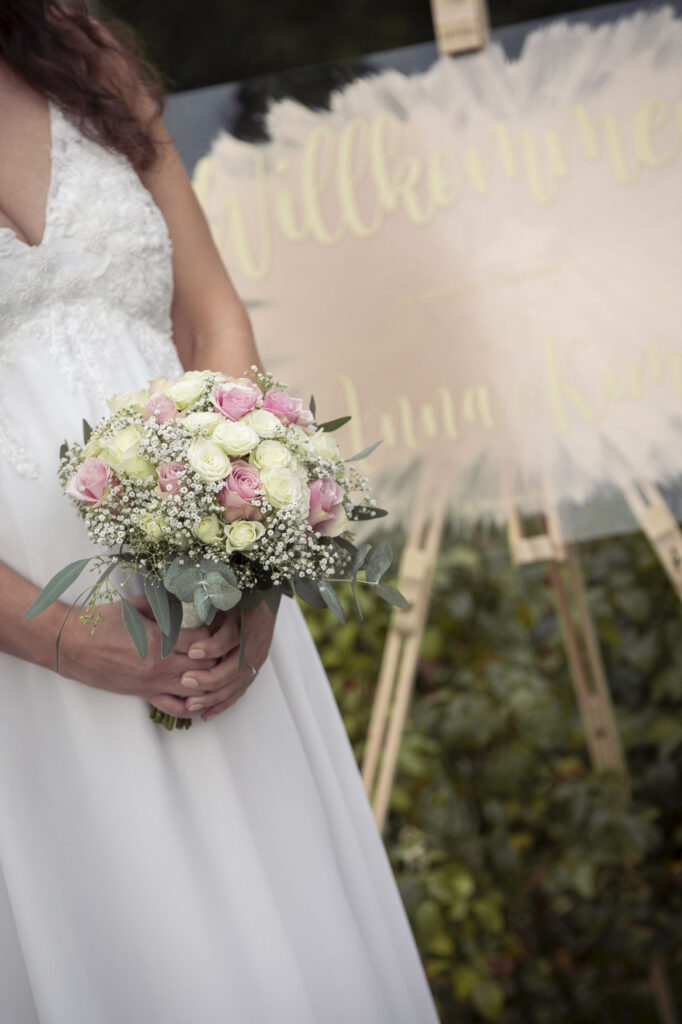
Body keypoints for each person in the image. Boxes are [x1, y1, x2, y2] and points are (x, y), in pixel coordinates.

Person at [0, 2, 441, 1021]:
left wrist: (248, 560)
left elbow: (212, 315)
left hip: (212, 624)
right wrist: (67, 637)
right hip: (28, 678)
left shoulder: (80, 54)